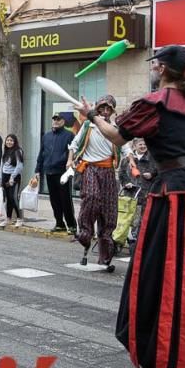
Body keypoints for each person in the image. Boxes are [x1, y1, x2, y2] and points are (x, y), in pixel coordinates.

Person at [81, 44, 185, 368]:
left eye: (155, 64)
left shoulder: (155, 103)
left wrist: (91, 116)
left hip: (174, 194)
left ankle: (173, 358)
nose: (153, 68)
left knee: (164, 274)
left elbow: (116, 136)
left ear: (161, 68)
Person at [68, 95, 121, 268]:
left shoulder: (114, 128)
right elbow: (74, 145)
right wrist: (70, 160)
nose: (105, 111)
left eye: (109, 109)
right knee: (91, 197)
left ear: (112, 111)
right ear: (97, 109)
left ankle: (105, 252)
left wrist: (131, 159)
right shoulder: (87, 125)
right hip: (90, 168)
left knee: (108, 210)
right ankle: (84, 232)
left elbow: (125, 145)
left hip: (108, 171)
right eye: (102, 108)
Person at [34, 114, 77, 233]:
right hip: (49, 171)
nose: (56, 121)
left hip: (63, 172)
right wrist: (38, 170)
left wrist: (67, 162)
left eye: (58, 119)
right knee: (54, 200)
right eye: (54, 119)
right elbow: (41, 153)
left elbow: (73, 152)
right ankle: (59, 223)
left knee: (65, 199)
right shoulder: (46, 136)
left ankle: (72, 225)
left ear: (64, 121)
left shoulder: (69, 135)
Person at [117, 137, 156, 248]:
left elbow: (158, 171)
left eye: (144, 144)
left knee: (140, 220)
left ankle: (136, 241)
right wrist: (126, 183)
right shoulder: (127, 159)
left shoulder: (152, 158)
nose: (143, 146)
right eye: (140, 144)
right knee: (126, 218)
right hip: (129, 195)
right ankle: (121, 239)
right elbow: (121, 174)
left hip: (145, 194)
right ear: (134, 146)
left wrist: (152, 174)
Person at [0, 134, 25, 228]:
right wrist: (0, 178)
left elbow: (20, 166)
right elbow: (2, 165)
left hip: (14, 177)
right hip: (5, 176)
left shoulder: (18, 151)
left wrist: (12, 177)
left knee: (13, 197)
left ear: (15, 142)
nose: (9, 142)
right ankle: (8, 218)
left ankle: (20, 218)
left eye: (11, 140)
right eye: (8, 140)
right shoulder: (5, 151)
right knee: (8, 199)